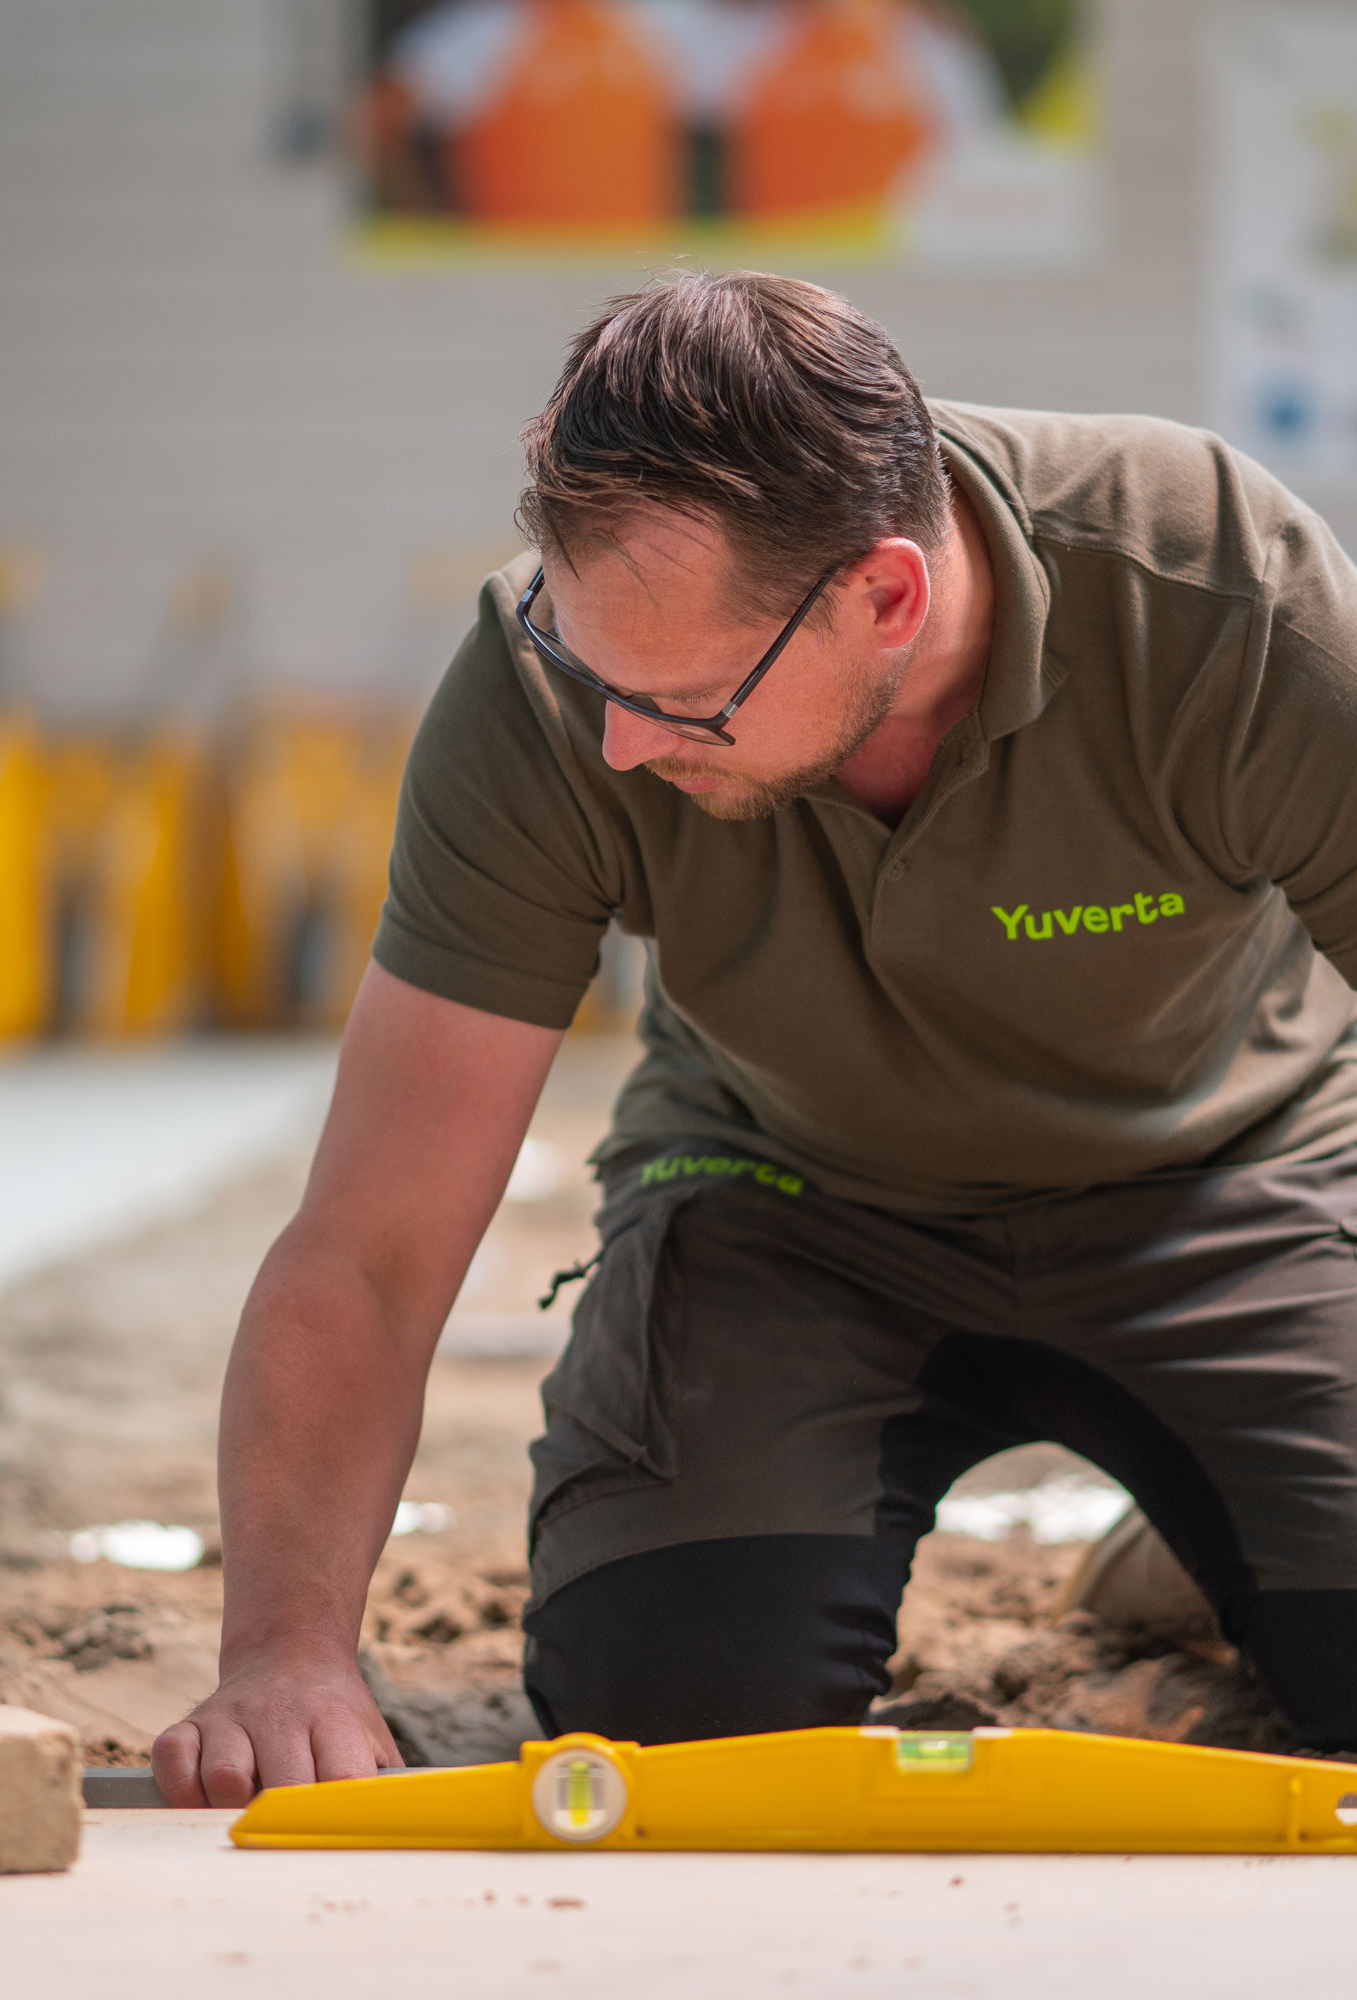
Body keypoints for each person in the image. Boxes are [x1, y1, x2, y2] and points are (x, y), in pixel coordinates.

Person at [154, 269, 1357, 1806]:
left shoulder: (1221, 593)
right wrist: (283, 1651)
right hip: (792, 1204)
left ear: (888, 598)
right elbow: (371, 1249)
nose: (619, 745)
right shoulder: (544, 696)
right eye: (594, 674)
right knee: (683, 1714)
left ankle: (1223, 1514)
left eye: (686, 701)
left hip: (1230, 1183)